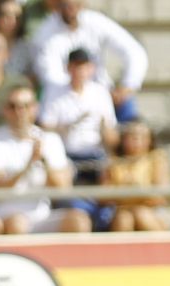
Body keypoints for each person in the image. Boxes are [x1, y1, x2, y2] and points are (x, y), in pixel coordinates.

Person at [0, 82, 89, 233]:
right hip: (2, 215)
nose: (20, 112)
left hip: (40, 216)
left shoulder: (51, 140)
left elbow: (62, 189)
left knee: (79, 221)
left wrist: (44, 160)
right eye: (13, 106)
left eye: (26, 106)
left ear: (35, 108)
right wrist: (28, 165)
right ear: (4, 110)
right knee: (17, 223)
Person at [29, 0, 143, 124]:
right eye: (65, 5)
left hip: (103, 93)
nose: (70, 10)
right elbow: (51, 76)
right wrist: (82, 93)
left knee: (131, 123)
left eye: (75, 5)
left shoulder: (97, 22)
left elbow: (134, 52)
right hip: (64, 97)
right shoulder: (44, 33)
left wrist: (127, 86)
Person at [37, 44, 112, 186]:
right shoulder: (53, 92)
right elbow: (45, 127)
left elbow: (109, 127)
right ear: (68, 67)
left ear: (91, 68)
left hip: (96, 154)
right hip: (66, 155)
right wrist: (69, 126)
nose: (80, 71)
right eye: (76, 65)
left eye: (83, 66)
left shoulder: (101, 92)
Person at [97, 117, 164, 231]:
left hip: (149, 210)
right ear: (123, 139)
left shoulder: (156, 159)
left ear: (150, 140)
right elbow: (103, 197)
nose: (137, 141)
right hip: (121, 211)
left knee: (141, 214)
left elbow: (160, 197)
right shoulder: (113, 162)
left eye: (142, 137)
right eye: (132, 137)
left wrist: (133, 192)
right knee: (124, 219)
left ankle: (160, 247)